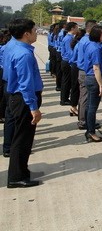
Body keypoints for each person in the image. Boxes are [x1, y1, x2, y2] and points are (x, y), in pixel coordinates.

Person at [5, 19, 43, 188]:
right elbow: (25, 84)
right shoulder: (24, 54)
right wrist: (33, 108)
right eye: (34, 30)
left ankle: (21, 171)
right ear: (26, 34)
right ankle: (16, 177)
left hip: (16, 96)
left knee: (20, 137)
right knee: (22, 139)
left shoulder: (11, 45)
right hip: (23, 99)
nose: (36, 33)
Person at [83, 25, 102, 143]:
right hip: (94, 79)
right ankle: (91, 132)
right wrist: (101, 85)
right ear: (98, 34)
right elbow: (96, 68)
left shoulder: (91, 45)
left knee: (89, 106)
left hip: (89, 78)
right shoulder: (96, 49)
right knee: (92, 107)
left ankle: (89, 129)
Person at [75, 20, 97, 131]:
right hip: (87, 72)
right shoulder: (89, 42)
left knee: (83, 96)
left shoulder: (83, 40)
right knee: (86, 97)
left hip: (82, 70)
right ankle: (83, 120)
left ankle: (85, 119)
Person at [60, 22, 79, 107]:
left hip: (66, 61)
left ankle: (65, 98)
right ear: (72, 28)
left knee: (66, 81)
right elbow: (70, 52)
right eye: (76, 27)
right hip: (67, 61)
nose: (77, 29)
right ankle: (64, 99)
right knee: (66, 81)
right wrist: (74, 61)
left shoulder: (69, 37)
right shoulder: (68, 39)